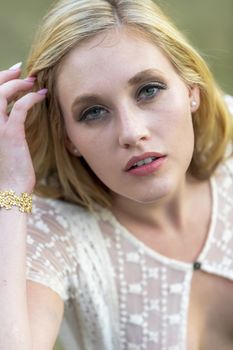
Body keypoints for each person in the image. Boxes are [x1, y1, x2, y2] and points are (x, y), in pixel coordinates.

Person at [0, 0, 233, 349]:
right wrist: (9, 189)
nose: (131, 132)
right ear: (68, 138)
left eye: (148, 90)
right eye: (93, 112)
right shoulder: (53, 233)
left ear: (190, 90)